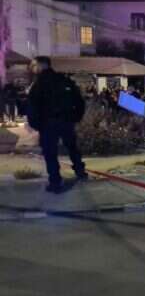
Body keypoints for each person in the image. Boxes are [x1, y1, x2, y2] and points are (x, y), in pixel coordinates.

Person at [27, 56, 88, 194]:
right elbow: (79, 101)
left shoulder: (39, 84)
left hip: (48, 124)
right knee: (72, 147)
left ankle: (55, 182)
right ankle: (80, 172)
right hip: (67, 121)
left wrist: (36, 124)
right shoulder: (64, 80)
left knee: (50, 153)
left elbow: (32, 106)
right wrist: (76, 117)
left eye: (34, 66)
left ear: (41, 65)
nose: (32, 68)